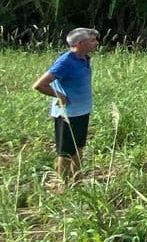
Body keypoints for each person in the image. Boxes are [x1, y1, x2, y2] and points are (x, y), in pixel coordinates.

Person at [31, 27, 99, 185]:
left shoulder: (84, 58)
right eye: (92, 40)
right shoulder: (65, 61)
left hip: (81, 112)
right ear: (80, 43)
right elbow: (39, 85)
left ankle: (77, 181)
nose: (96, 43)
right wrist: (58, 95)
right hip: (67, 114)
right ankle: (63, 185)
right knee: (65, 152)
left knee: (79, 147)